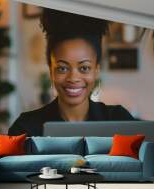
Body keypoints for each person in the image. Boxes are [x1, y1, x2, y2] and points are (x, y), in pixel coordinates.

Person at [8, 8, 134, 136]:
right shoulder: (26, 128)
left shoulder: (119, 119)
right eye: (62, 68)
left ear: (96, 70)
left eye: (84, 68)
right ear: (51, 70)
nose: (73, 78)